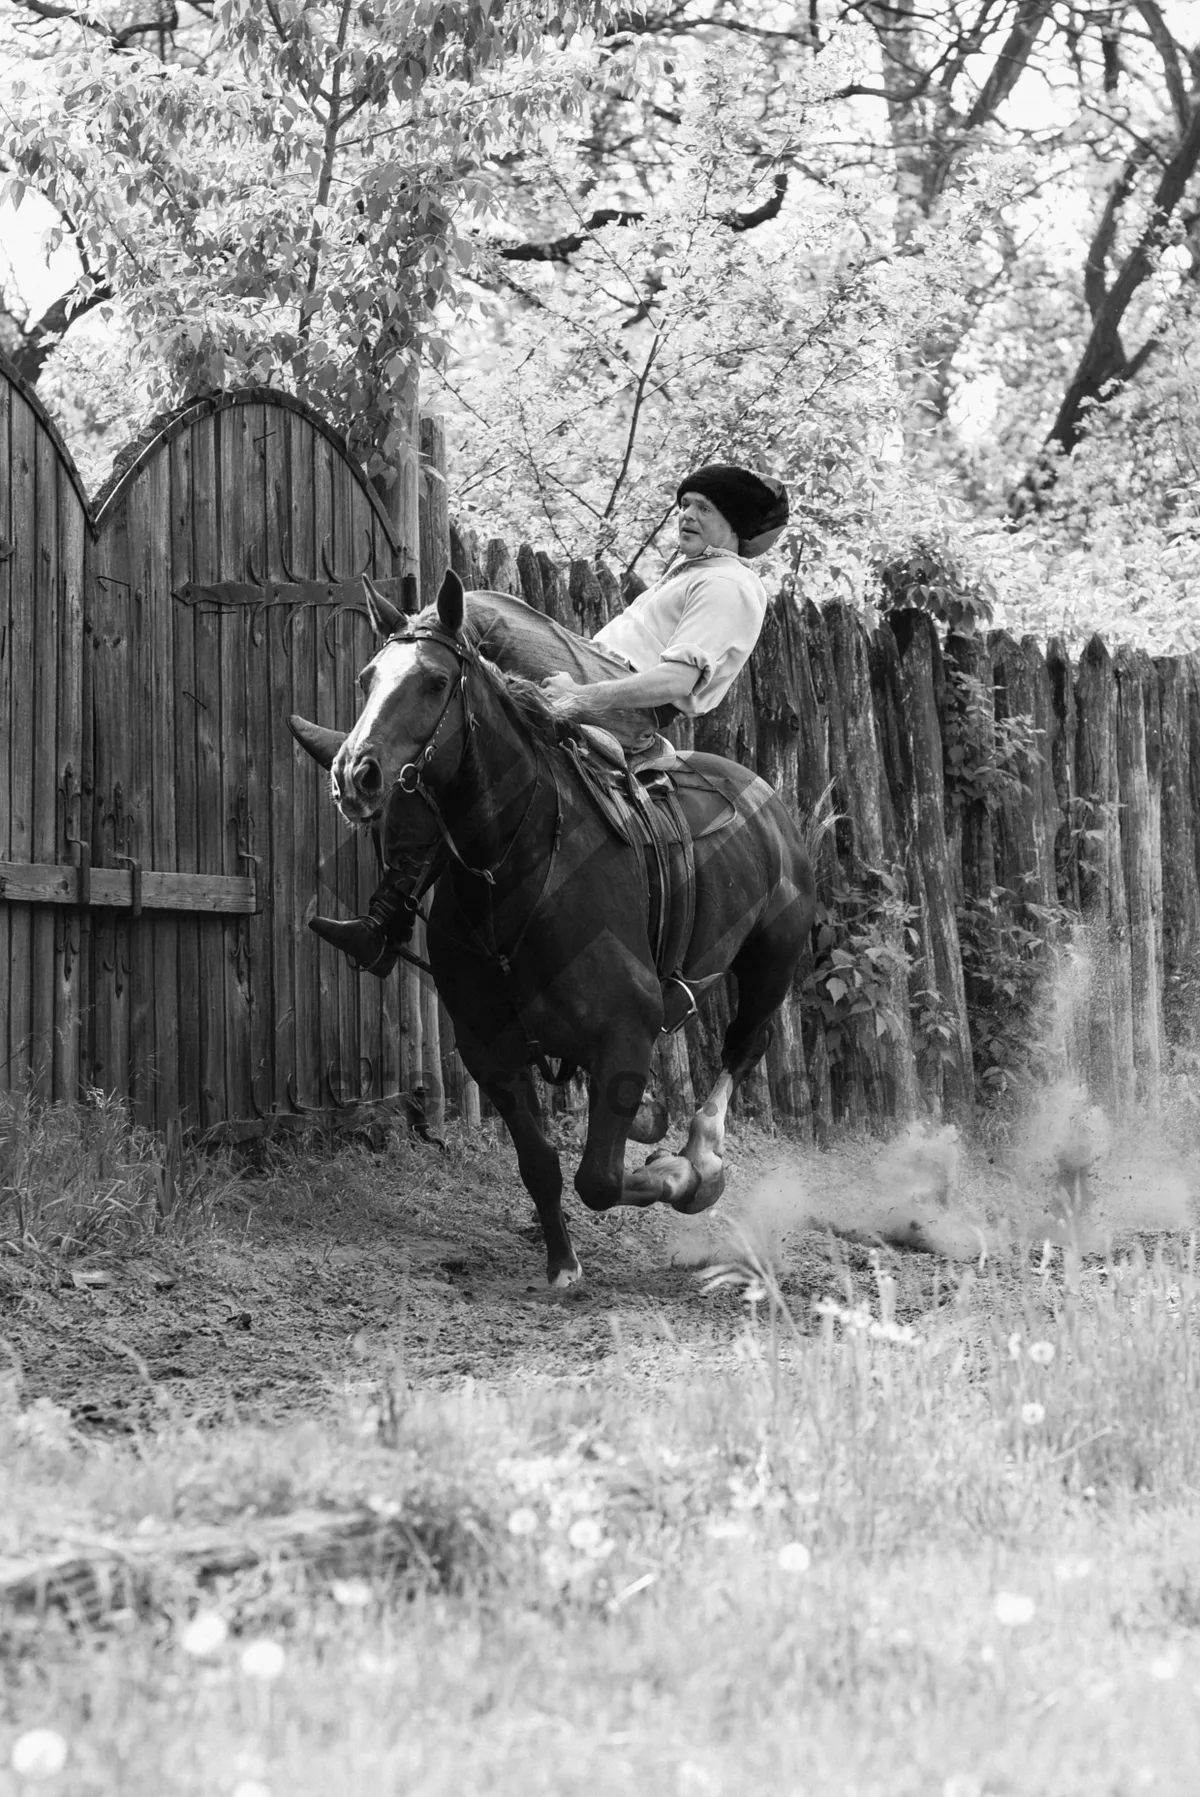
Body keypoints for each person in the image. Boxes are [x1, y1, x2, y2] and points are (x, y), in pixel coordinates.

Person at [312, 462, 788, 976]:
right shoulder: (694, 575)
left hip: (623, 703)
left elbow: (677, 682)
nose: (686, 515)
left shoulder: (729, 583)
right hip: (600, 680)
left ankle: (376, 732)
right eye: (684, 505)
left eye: (703, 508)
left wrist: (584, 699)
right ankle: (386, 915)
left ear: (734, 525)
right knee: (462, 745)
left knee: (477, 613)